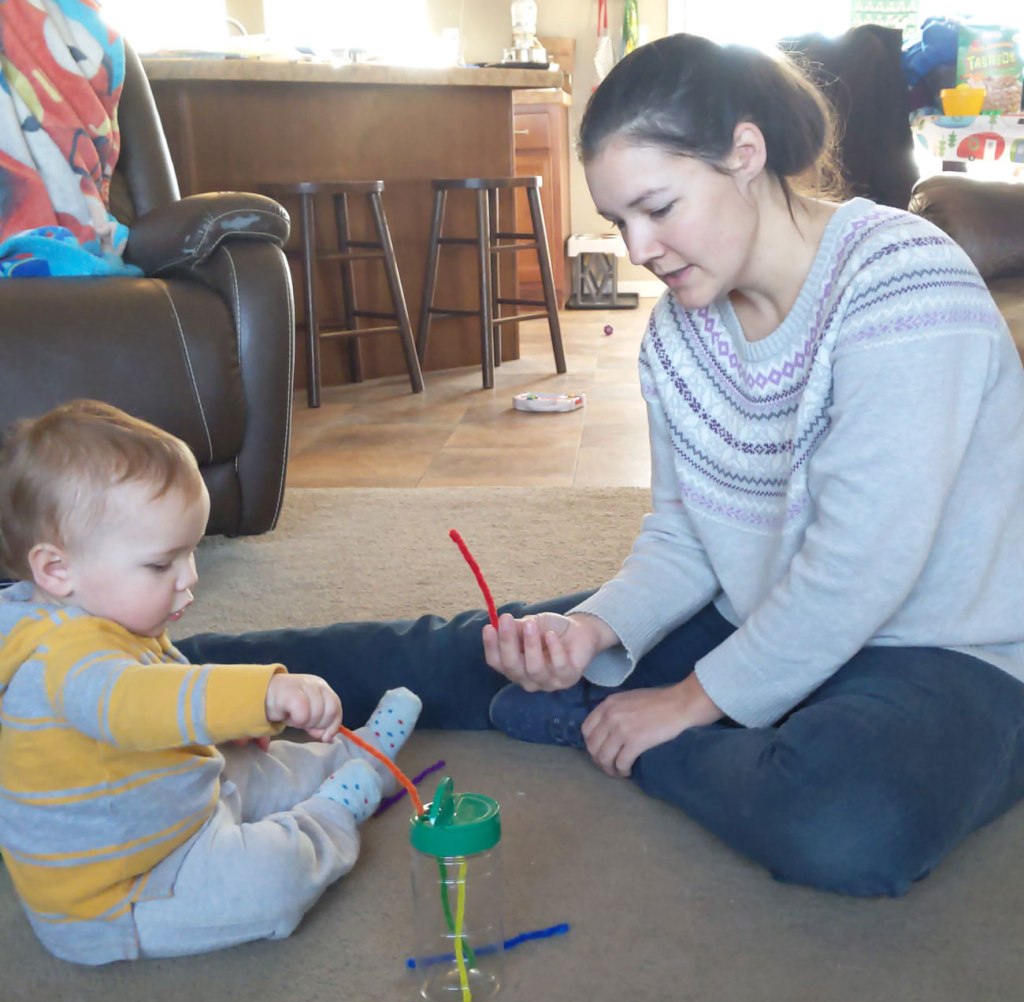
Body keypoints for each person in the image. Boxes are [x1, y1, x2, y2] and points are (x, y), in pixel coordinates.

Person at [162, 33, 1024, 901]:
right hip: (760, 616)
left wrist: (688, 701)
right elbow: (687, 535)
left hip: (945, 655)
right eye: (619, 222)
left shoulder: (901, 284)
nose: (639, 248)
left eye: (658, 207)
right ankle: (170, 665)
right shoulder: (680, 334)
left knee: (847, 825)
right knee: (479, 654)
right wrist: (597, 630)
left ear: (744, 154)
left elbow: (861, 564)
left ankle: (599, 724)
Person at [0, 400, 422, 965]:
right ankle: (331, 813)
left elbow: (165, 685)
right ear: (56, 569)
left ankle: (349, 755)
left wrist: (227, 725)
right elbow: (135, 702)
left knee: (243, 764)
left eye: (192, 552)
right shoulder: (59, 658)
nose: (191, 577)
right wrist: (261, 695)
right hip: (130, 891)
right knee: (272, 884)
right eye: (161, 564)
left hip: (166, 796)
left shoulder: (92, 617)